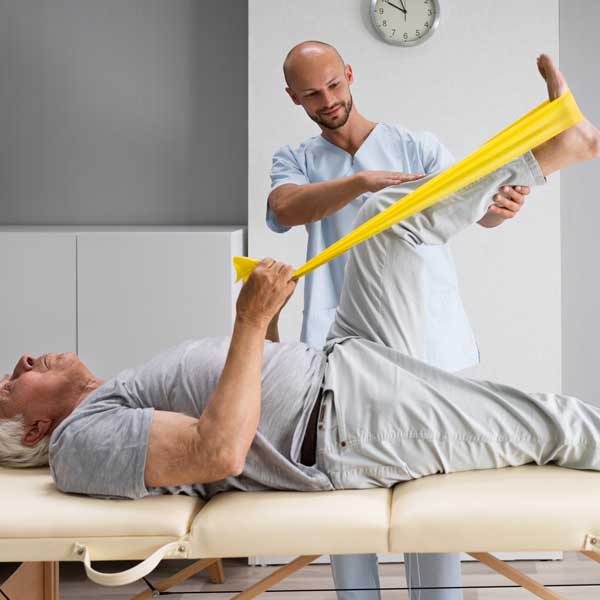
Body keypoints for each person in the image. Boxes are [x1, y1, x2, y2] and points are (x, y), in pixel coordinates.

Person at [1, 55, 600, 600]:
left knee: (381, 214)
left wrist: (267, 328)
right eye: (8, 385)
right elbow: (219, 450)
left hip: (342, 356)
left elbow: (244, 404)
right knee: (558, 423)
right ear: (35, 430)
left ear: (350, 77)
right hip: (344, 417)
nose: (21, 360)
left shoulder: (114, 396)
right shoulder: (80, 443)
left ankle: (547, 150)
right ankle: (560, 147)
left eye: (334, 84)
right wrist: (250, 317)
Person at [267, 40, 532, 599]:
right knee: (342, 483)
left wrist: (499, 210)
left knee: (432, 487)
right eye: (312, 93)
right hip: (341, 344)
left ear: (349, 75)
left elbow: (472, 209)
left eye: (334, 85)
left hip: (425, 334)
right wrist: (362, 185)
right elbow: (286, 208)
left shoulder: (417, 146)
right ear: (293, 97)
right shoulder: (296, 159)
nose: (328, 100)